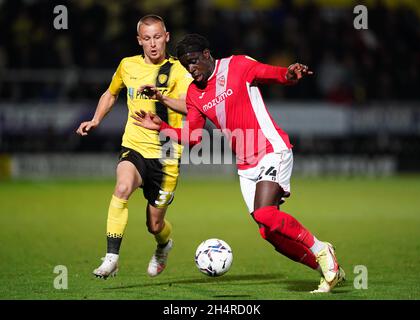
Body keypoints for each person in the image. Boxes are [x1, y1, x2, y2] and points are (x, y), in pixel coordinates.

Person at [131, 34, 346, 293]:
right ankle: (327, 269)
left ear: (207, 55)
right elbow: (194, 138)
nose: (191, 69)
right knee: (270, 233)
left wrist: (290, 73)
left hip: (271, 148)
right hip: (245, 166)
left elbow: (273, 74)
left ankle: (321, 249)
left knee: (265, 213)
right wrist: (162, 127)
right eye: (186, 65)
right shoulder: (193, 93)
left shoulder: (238, 65)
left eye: (195, 61)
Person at [76, 15, 192, 279]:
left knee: (155, 224)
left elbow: (190, 107)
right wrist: (95, 120)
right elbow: (111, 92)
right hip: (134, 146)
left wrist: (162, 97)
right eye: (147, 38)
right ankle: (112, 258)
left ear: (167, 37)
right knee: (122, 187)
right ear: (139, 40)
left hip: (166, 156)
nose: (153, 44)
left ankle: (164, 245)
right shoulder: (127, 65)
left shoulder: (177, 71)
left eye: (158, 37)